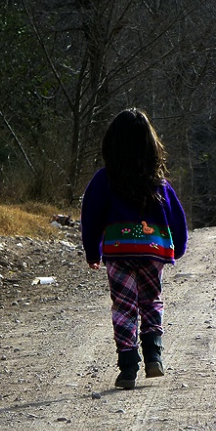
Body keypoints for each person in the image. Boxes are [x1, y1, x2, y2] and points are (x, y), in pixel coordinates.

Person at [81, 108, 189, 390]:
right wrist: (177, 249)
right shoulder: (158, 183)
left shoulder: (104, 180)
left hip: (118, 251)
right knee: (151, 301)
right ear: (150, 145)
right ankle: (154, 354)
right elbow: (177, 220)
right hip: (153, 251)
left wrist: (92, 251)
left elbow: (90, 216)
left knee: (124, 307)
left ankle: (128, 366)